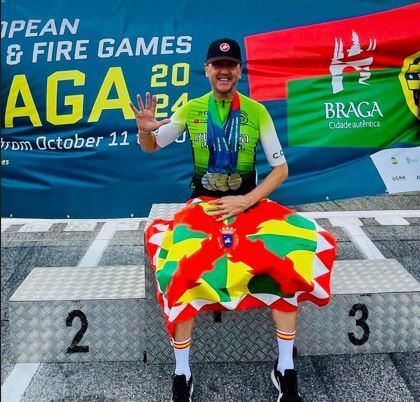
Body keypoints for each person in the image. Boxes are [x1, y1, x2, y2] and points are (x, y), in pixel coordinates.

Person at [130, 38, 336, 402]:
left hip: (251, 206)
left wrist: (246, 200)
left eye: (231, 65)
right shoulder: (192, 110)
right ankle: (183, 372)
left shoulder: (257, 112)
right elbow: (151, 146)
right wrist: (145, 129)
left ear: (239, 71)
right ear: (207, 70)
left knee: (286, 265)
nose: (224, 71)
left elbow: (280, 169)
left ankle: (285, 368)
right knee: (180, 272)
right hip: (203, 208)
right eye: (217, 65)